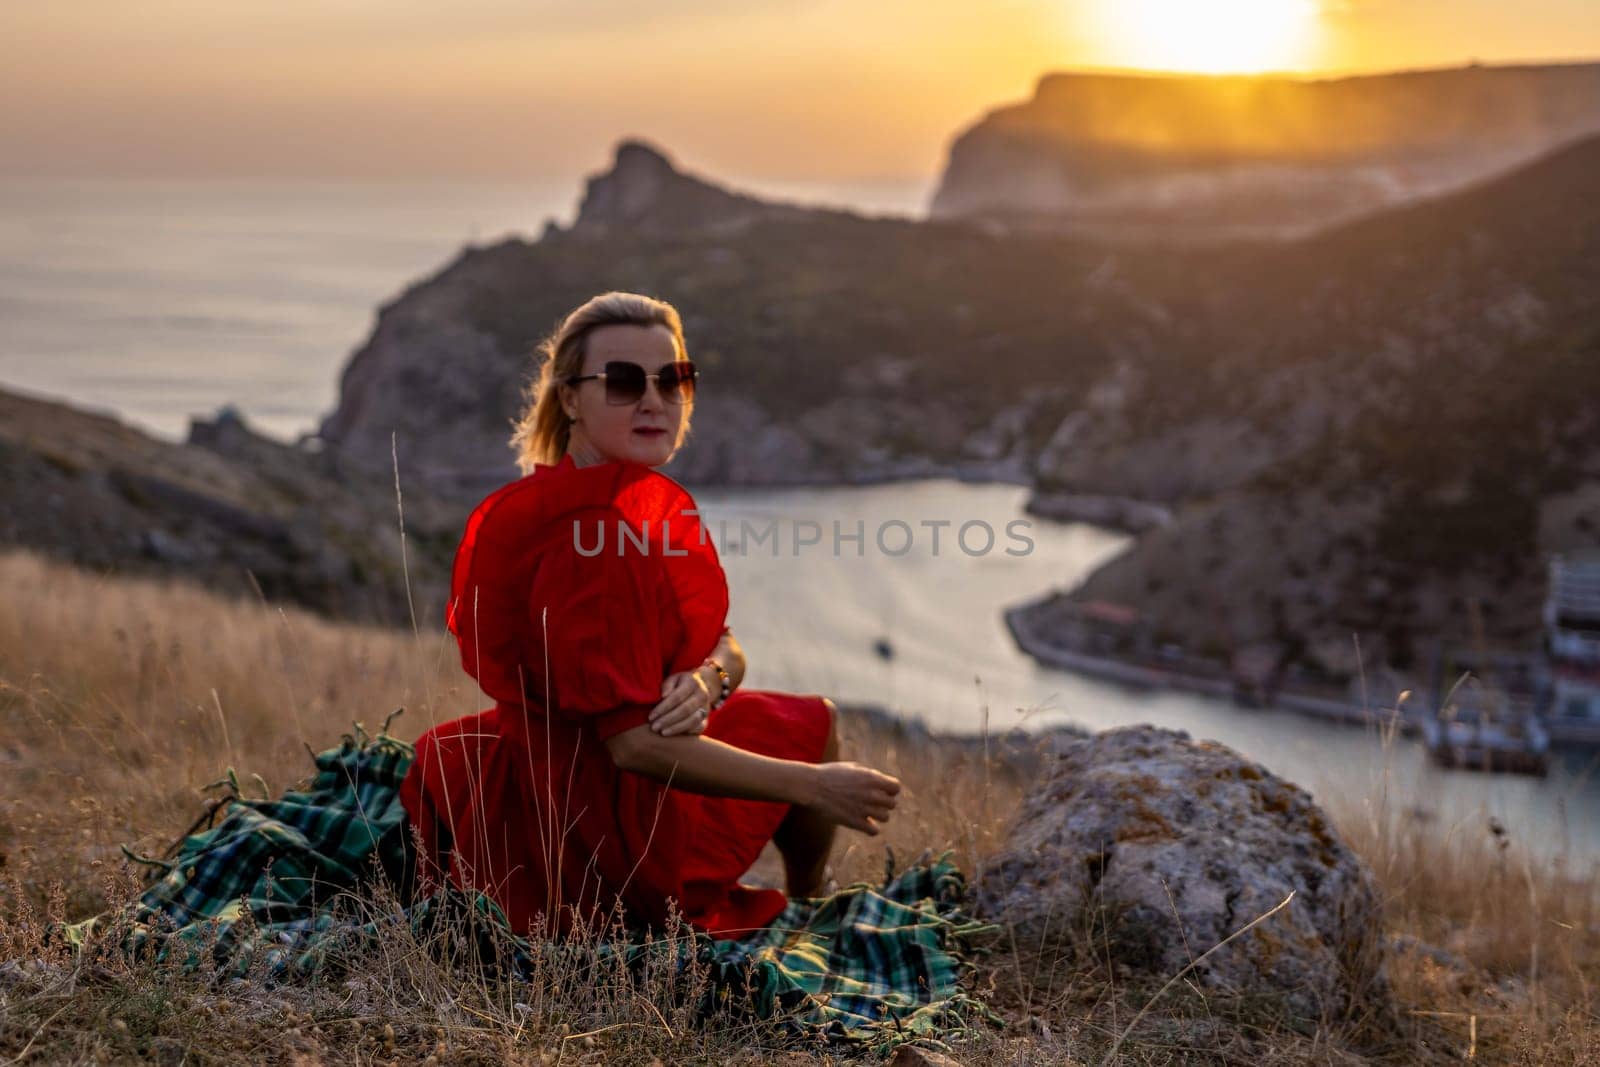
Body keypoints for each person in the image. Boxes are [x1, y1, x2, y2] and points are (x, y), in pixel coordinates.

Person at [398, 291, 903, 940]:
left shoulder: (592, 501)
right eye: (624, 381)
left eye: (673, 379)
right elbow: (634, 745)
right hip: (601, 838)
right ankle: (810, 907)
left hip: (538, 784)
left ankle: (809, 899)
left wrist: (707, 679)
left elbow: (721, 643)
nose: (654, 398)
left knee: (783, 718)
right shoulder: (593, 538)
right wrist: (811, 786)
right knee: (812, 723)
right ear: (571, 398)